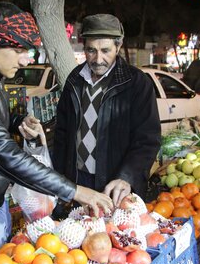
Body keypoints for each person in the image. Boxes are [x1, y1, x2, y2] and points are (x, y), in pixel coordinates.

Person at [0, 2, 113, 256]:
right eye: (18, 49)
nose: (25, 59)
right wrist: (75, 191)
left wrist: (18, 121)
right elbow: (5, 155)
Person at [53, 13, 161, 207]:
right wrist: (61, 180)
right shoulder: (75, 80)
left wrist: (127, 176)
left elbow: (147, 140)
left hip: (115, 186)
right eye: (91, 50)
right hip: (79, 185)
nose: (98, 59)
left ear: (118, 46)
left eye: (105, 50)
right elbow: (62, 132)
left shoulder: (137, 84)